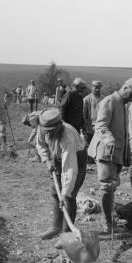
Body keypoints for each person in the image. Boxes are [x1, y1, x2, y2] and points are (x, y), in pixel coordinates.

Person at [88, 78, 132, 233]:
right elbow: (100, 124)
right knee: (106, 186)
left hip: (115, 153)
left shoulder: (123, 105)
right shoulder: (109, 101)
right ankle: (106, 223)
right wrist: (109, 139)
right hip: (105, 151)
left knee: (111, 187)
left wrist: (126, 154)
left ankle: (109, 219)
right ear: (124, 87)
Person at [35, 108, 87, 240]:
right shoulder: (43, 127)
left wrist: (65, 193)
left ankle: (67, 235)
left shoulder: (67, 136)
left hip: (76, 159)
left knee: (68, 197)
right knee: (55, 192)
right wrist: (46, 160)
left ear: (60, 124)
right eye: (47, 130)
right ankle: (55, 227)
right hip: (57, 157)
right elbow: (40, 144)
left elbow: (69, 169)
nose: (49, 133)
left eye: (52, 130)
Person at [58, 78, 88, 210]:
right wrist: (63, 124)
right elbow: (62, 109)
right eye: (81, 87)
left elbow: (79, 113)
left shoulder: (79, 97)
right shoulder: (70, 94)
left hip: (76, 128)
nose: (83, 90)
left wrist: (82, 125)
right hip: (68, 129)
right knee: (69, 154)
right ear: (76, 86)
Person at [83, 80, 104, 145]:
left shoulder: (104, 99)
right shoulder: (87, 99)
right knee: (90, 147)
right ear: (92, 87)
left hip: (101, 127)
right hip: (90, 128)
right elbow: (83, 114)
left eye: (99, 88)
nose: (97, 89)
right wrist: (83, 127)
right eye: (96, 87)